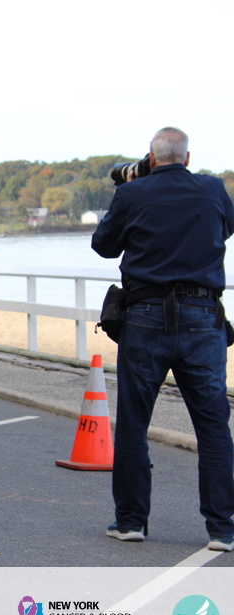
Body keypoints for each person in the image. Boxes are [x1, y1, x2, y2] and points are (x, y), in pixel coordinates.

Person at [92, 127, 234, 552]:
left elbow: (104, 246)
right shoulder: (212, 189)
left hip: (145, 315)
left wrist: (130, 191)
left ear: (151, 159)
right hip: (203, 315)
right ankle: (222, 529)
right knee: (213, 426)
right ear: (186, 158)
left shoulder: (133, 193)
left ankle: (130, 522)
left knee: (134, 422)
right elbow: (225, 229)